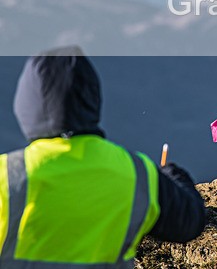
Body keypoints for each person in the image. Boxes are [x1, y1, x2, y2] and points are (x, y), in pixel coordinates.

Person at [0, 46, 205, 266]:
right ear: (92, 96)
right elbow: (189, 221)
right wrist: (170, 175)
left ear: (26, 104)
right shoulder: (138, 175)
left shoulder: (7, 175)